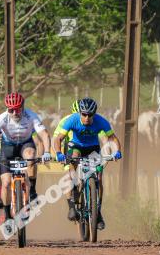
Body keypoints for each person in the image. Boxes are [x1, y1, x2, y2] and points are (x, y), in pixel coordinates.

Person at [51, 97, 123, 230]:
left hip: (92, 148)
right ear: (80, 113)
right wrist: (58, 153)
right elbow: (58, 138)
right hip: (76, 145)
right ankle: (72, 205)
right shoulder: (72, 120)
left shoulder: (101, 121)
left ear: (94, 114)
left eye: (90, 115)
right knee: (73, 160)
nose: (87, 118)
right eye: (84, 114)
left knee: (99, 178)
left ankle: (98, 213)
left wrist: (117, 151)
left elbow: (112, 137)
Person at [0, 92, 50, 222]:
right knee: (6, 183)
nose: (14, 113)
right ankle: (7, 214)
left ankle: (32, 191)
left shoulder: (31, 116)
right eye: (11, 110)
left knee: (31, 155)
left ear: (23, 107)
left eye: (17, 109)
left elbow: (44, 134)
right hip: (8, 147)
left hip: (25, 144)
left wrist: (47, 152)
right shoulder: (2, 118)